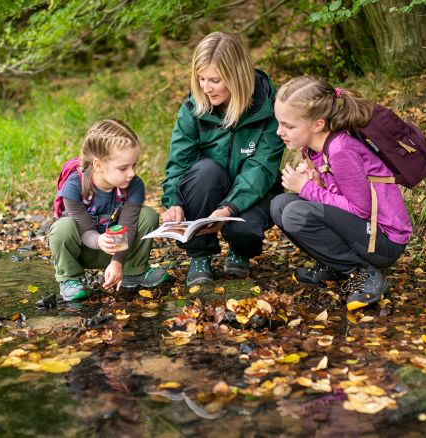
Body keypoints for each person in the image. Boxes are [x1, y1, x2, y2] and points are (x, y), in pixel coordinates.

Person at [270, 76, 412, 310]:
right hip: (363, 232)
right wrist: (317, 182)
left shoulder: (340, 150)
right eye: (279, 123)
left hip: (384, 242)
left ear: (317, 125)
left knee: (295, 213)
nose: (279, 132)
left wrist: (307, 189)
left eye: (289, 126)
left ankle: (363, 273)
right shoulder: (313, 148)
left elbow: (360, 209)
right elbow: (340, 194)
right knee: (280, 205)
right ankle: (333, 265)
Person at [161, 31, 285, 286]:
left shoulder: (270, 111)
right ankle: (200, 255)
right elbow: (179, 163)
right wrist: (174, 202)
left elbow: (261, 168)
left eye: (215, 80)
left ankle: (240, 250)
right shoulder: (192, 109)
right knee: (206, 171)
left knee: (243, 229)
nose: (206, 88)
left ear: (237, 76)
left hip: (254, 191)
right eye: (201, 78)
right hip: (209, 188)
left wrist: (229, 208)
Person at [50, 119, 168, 301]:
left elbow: (128, 226)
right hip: (84, 249)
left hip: (120, 249)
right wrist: (99, 240)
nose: (132, 173)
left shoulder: (134, 185)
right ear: (98, 165)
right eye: (123, 168)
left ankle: (133, 271)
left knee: (148, 215)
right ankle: (70, 278)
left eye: (134, 165)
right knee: (62, 227)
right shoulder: (74, 186)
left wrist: (117, 262)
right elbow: (85, 230)